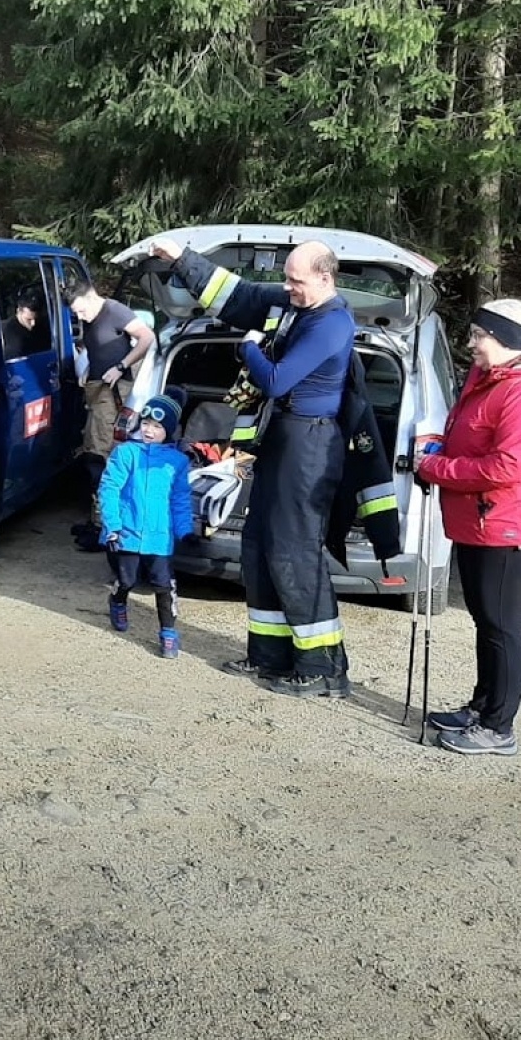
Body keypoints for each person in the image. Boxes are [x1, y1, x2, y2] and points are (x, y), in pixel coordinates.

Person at [149, 236, 356, 698]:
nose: (288, 287)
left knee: (295, 552)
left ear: (325, 278)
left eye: (296, 280)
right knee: (260, 548)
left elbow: (277, 380)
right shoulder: (294, 306)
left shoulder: (331, 323)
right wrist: (181, 259)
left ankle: (322, 668)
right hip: (279, 442)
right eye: (286, 278)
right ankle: (268, 656)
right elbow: (236, 294)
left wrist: (248, 350)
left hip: (309, 445)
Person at [416, 299, 521, 756]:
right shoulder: (490, 379)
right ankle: (482, 707)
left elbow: (507, 465)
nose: (471, 344)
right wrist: (437, 449)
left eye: (478, 336)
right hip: (486, 520)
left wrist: (437, 468)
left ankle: (498, 727)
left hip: (514, 526)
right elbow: (471, 437)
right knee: (487, 620)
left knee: (503, 626)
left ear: (506, 341)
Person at [98, 391, 193, 657]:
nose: (149, 431)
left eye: (158, 427)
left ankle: (168, 632)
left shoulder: (177, 462)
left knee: (164, 586)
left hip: (159, 537)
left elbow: (180, 500)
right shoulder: (126, 453)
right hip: (127, 533)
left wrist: (185, 531)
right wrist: (112, 526)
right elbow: (110, 489)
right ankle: (118, 600)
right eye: (146, 424)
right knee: (127, 579)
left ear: (170, 430)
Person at [65, 278, 156, 544]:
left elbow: (147, 337)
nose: (80, 317)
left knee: (100, 455)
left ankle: (106, 527)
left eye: (81, 310)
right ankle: (96, 521)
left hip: (112, 393)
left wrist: (121, 365)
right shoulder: (90, 317)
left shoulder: (115, 311)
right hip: (96, 390)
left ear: (92, 297)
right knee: (92, 450)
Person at [1, 294, 48, 359]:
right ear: (19, 311)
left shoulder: (41, 327)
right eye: (29, 319)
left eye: (36, 318)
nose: (33, 323)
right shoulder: (14, 339)